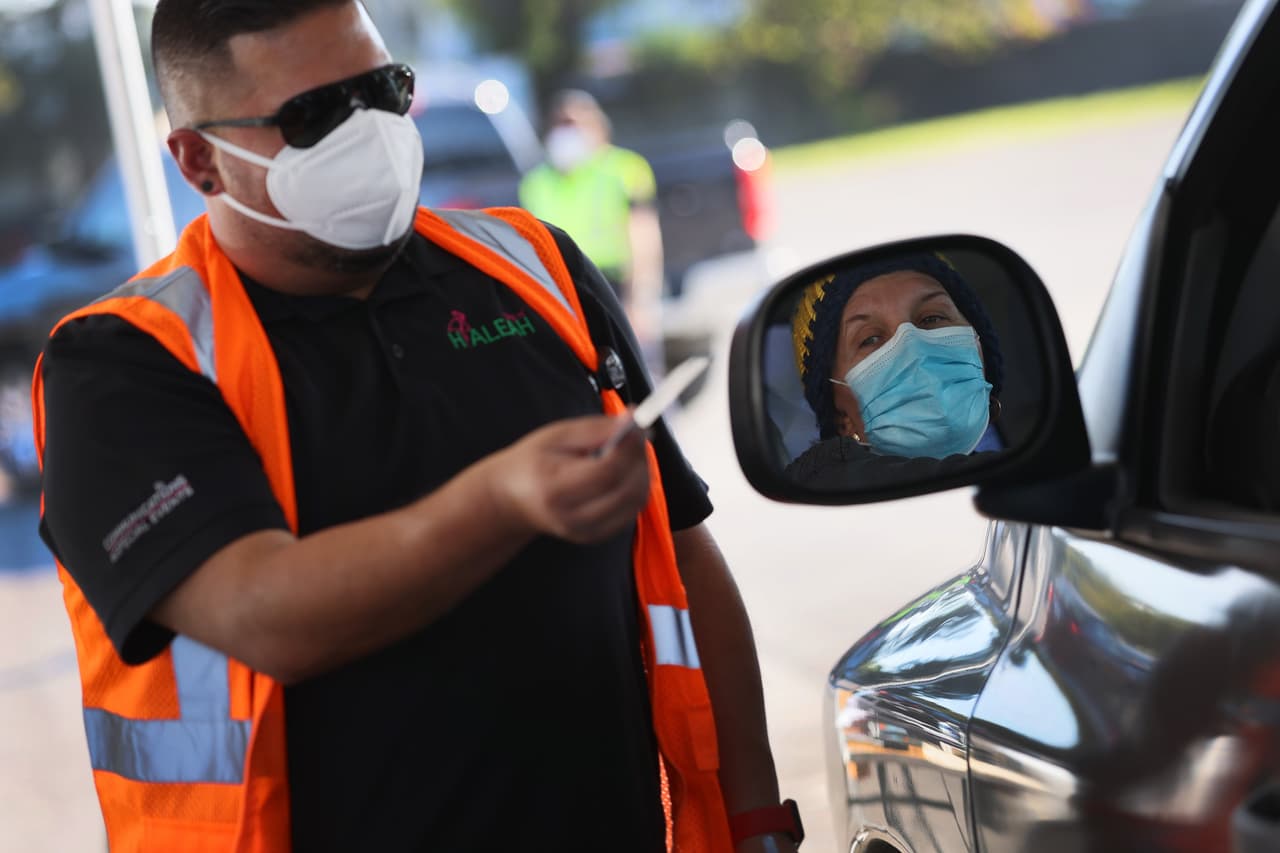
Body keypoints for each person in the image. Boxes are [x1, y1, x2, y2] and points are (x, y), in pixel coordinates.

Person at [31, 2, 802, 851]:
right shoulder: (125, 364)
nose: (366, 130)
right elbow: (266, 613)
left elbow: (684, 550)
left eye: (382, 89)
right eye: (312, 115)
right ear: (199, 159)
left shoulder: (531, 265)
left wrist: (755, 816)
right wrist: (503, 500)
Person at [783, 252, 1005, 488]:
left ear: (980, 353)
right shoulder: (828, 487)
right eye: (870, 339)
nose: (914, 349)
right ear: (841, 418)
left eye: (932, 318)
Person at [519, 88, 667, 377]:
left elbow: (644, 236)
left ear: (596, 127)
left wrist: (641, 299)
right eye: (560, 124)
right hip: (565, 291)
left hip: (616, 285)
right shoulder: (536, 182)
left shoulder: (626, 169)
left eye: (573, 124)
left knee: (640, 378)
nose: (566, 133)